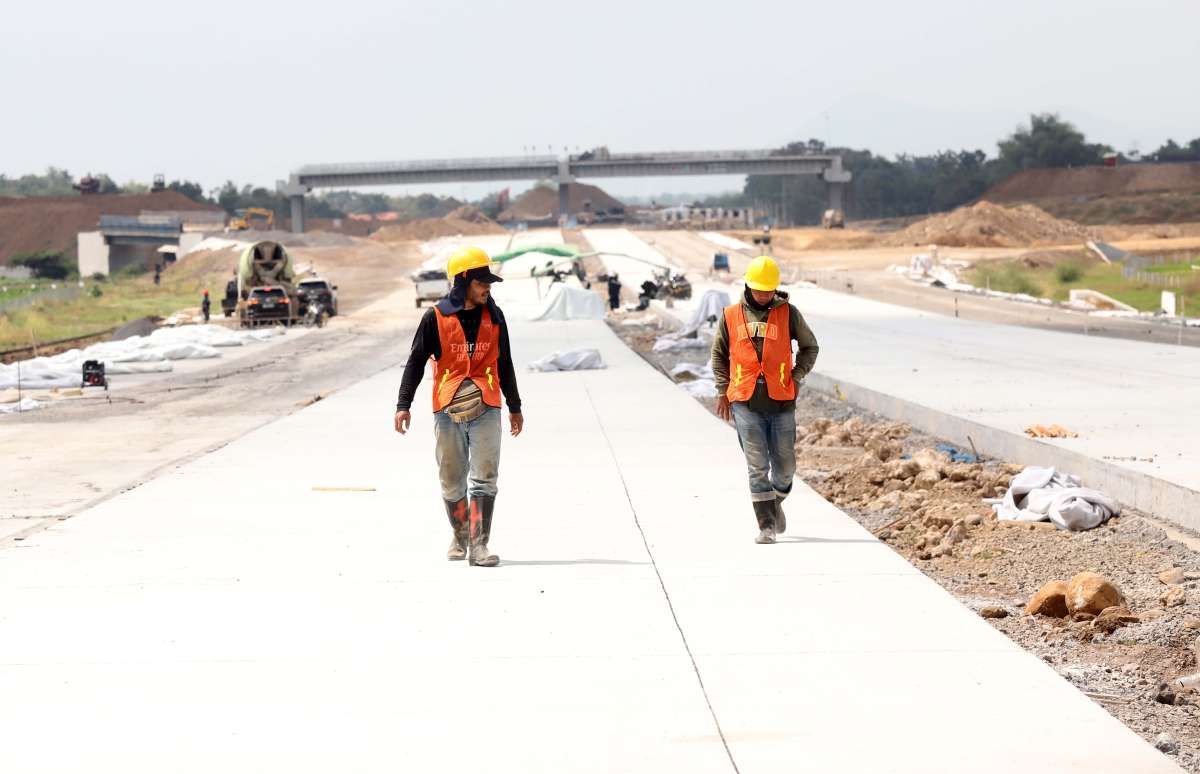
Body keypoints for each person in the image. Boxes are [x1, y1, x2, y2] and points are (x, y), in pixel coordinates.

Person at [394, 246, 524, 567]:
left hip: (487, 404)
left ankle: (479, 546)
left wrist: (515, 405)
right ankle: (461, 532)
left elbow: (505, 362)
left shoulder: (495, 317)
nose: (488, 287)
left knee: (485, 477)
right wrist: (403, 404)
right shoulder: (435, 317)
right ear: (463, 280)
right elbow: (415, 362)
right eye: (482, 282)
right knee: (452, 478)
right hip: (447, 408)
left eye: (489, 283)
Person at [711, 255, 819, 544]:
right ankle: (766, 526)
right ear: (748, 286)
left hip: (781, 399)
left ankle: (774, 501)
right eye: (758, 289)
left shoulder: (789, 313)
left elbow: (810, 347)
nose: (762, 295)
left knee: (785, 466)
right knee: (757, 464)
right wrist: (723, 390)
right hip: (744, 400)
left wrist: (796, 377)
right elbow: (719, 355)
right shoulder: (731, 315)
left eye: (768, 290)